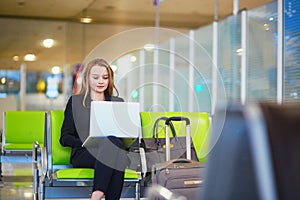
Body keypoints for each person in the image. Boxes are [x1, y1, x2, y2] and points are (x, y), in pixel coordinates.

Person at [60, 58, 128, 200]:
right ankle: (98, 194)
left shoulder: (117, 103)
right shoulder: (76, 102)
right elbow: (64, 138)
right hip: (84, 153)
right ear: (87, 79)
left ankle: (97, 194)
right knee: (116, 152)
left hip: (112, 150)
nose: (100, 82)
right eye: (95, 77)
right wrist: (87, 142)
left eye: (105, 77)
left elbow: (124, 136)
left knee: (114, 145)